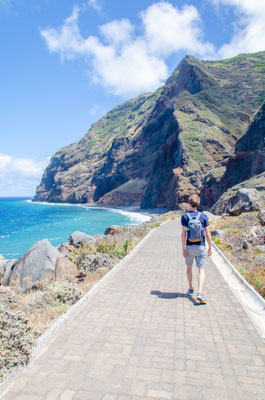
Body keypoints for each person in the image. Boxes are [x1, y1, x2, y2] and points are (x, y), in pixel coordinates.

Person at [181, 194, 212, 304]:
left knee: (189, 268)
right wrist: (210, 247)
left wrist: (183, 248)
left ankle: (190, 288)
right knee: (201, 269)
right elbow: (208, 234)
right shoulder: (203, 216)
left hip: (189, 246)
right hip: (201, 246)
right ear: (198, 204)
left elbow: (183, 234)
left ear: (189, 204)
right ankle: (199, 292)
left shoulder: (185, 216)